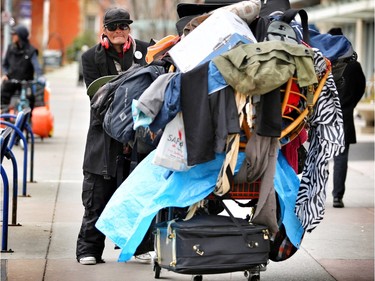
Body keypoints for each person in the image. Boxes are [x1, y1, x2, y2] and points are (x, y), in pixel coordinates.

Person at [76, 7, 150, 265]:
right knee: (97, 194)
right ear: (104, 30)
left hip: (139, 134)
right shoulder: (90, 58)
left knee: (137, 192)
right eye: (114, 26)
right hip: (104, 135)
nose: (119, 30)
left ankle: (138, 245)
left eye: (124, 25)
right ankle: (89, 248)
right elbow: (98, 98)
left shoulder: (145, 50)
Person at [328, 28, 366, 208]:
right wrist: (351, 104)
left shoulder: (326, 62)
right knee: (341, 158)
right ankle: (337, 196)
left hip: (326, 117)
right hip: (346, 116)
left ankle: (313, 196)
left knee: (316, 156)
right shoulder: (354, 66)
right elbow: (361, 88)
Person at [1, 24, 44, 113]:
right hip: (12, 80)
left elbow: (36, 66)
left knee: (30, 98)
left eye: (15, 35)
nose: (13, 37)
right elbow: (5, 65)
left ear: (21, 36)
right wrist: (5, 74)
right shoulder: (10, 48)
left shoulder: (31, 50)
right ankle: (6, 118)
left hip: (26, 82)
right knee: (3, 97)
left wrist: (40, 76)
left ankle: (28, 120)